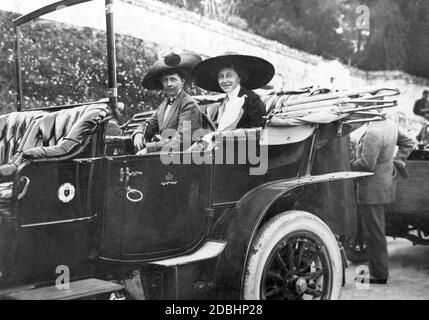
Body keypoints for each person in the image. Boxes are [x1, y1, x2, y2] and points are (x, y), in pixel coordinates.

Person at [351, 118, 413, 284]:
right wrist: (397, 162)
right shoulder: (390, 125)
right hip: (384, 186)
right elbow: (408, 142)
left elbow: (367, 164)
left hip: (372, 191)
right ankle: (378, 271)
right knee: (376, 231)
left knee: (374, 233)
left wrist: (347, 165)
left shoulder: (373, 132)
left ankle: (379, 274)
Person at [132, 52, 203, 154]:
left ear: (182, 81)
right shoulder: (164, 105)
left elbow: (182, 139)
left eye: (173, 79)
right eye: (165, 80)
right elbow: (149, 124)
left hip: (184, 159)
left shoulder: (188, 104)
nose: (169, 84)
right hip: (166, 156)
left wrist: (150, 148)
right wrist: (139, 133)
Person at [192, 53, 275, 130]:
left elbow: (257, 133)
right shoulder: (225, 101)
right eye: (221, 76)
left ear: (239, 77)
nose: (224, 80)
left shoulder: (252, 101)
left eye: (229, 75)